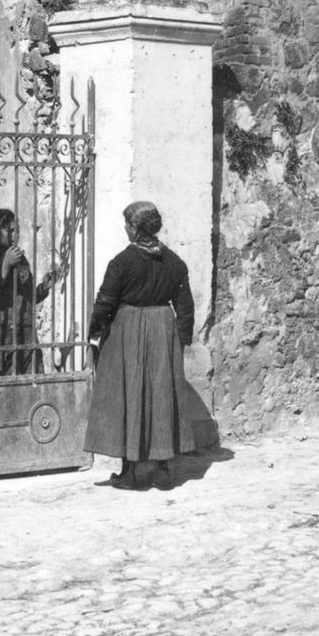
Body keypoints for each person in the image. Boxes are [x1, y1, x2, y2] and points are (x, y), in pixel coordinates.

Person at [84, 199, 194, 490]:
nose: (125, 229)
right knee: (162, 393)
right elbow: (185, 305)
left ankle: (130, 473)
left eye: (127, 224)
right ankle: (163, 471)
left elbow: (104, 302)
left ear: (135, 229)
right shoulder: (174, 262)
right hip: (163, 330)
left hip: (129, 330)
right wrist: (181, 340)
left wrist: (95, 332)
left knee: (129, 395)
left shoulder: (122, 263)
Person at [0, 207, 53, 376]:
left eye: (17, 231)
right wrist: (5, 267)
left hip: (24, 337)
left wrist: (43, 288)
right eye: (10, 231)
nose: (15, 235)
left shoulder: (22, 260)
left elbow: (28, 298)